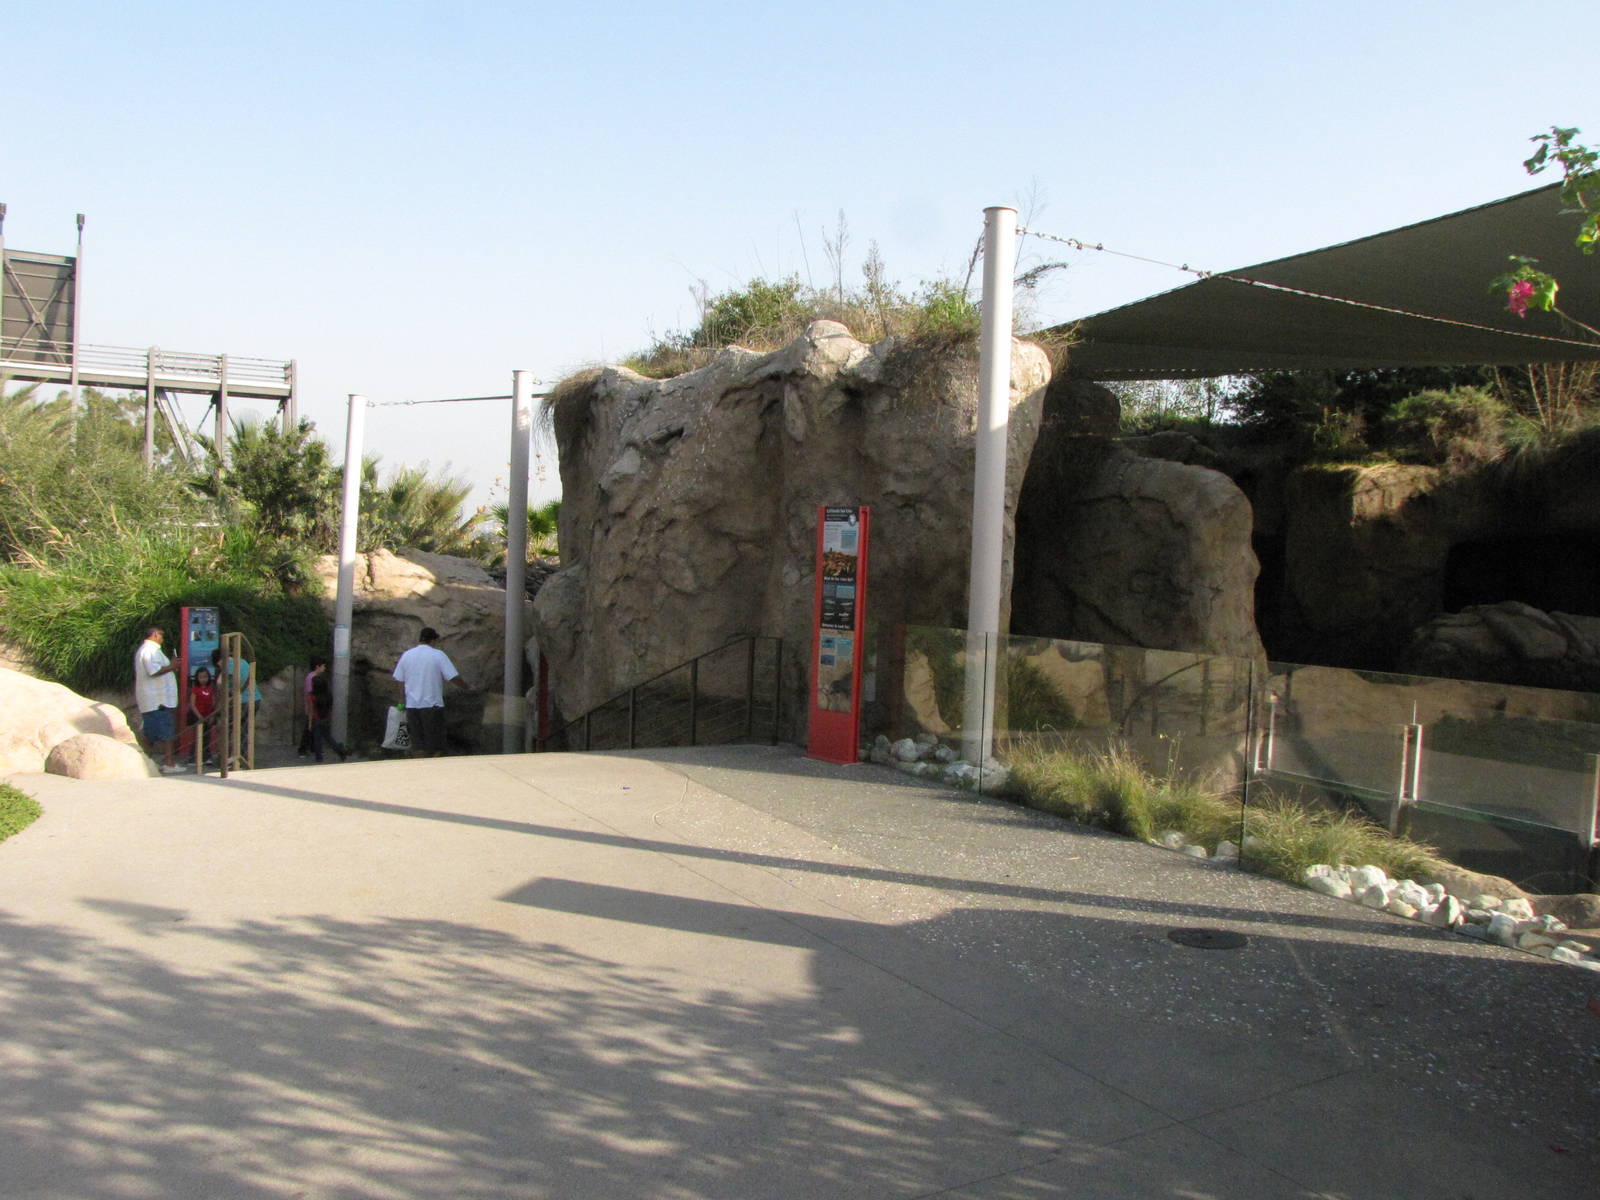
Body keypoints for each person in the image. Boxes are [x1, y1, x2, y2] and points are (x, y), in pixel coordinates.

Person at [391, 627, 473, 757]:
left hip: (412, 706)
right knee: (435, 745)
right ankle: (434, 770)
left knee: (417, 744)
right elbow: (452, 677)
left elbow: (400, 680)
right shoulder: (438, 655)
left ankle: (419, 769)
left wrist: (402, 701)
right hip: (432, 705)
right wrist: (467, 687)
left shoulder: (407, 655)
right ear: (433, 640)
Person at [133, 626, 183, 774]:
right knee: (165, 733)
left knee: (153, 733)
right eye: (162, 636)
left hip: (156, 700)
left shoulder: (149, 650)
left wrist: (171, 666)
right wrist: (172, 666)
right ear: (155, 635)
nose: (163, 639)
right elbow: (153, 670)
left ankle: (146, 760)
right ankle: (168, 763)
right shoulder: (149, 650)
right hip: (157, 700)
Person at [306, 658, 348, 763]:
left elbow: (311, 709)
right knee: (328, 737)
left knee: (317, 738)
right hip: (325, 717)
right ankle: (340, 751)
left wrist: (310, 722)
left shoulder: (313, 696)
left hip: (316, 718)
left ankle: (319, 757)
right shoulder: (328, 695)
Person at [188, 666, 218, 765]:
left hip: (208, 716)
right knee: (197, 737)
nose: (203, 679)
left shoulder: (211, 688)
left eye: (205, 677)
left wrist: (212, 716)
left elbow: (213, 702)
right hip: (198, 716)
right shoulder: (195, 689)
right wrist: (199, 716)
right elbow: (192, 704)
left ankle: (206, 757)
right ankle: (193, 758)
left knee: (207, 737)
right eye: (201, 677)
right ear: (197, 678)